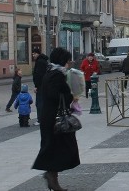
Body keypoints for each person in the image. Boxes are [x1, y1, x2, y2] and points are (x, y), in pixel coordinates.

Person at [32, 47, 80, 191]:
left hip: (50, 116)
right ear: (62, 60)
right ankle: (52, 177)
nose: (69, 63)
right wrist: (71, 96)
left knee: (55, 148)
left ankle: (52, 177)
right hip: (55, 118)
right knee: (58, 147)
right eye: (67, 60)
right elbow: (54, 95)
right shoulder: (56, 75)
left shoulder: (51, 72)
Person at [32, 47, 49, 126]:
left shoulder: (39, 62)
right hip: (45, 85)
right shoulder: (44, 61)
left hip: (41, 86)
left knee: (39, 103)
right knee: (42, 102)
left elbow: (39, 75)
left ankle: (40, 120)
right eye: (33, 54)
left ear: (38, 54)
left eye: (34, 54)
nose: (33, 55)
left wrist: (36, 86)